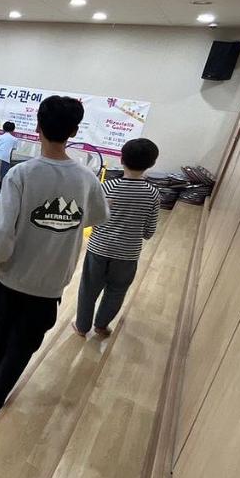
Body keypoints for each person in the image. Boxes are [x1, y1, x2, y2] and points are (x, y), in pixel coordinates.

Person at [0, 95, 109, 426]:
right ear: (74, 132)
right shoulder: (86, 179)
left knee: (0, 329)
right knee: (24, 345)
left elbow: (4, 231)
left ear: (37, 126)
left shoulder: (21, 174)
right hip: (50, 285)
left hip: (11, 277)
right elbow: (99, 216)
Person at [73, 138, 160, 337]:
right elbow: (148, 232)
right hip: (128, 254)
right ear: (152, 163)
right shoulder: (153, 194)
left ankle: (82, 327)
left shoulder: (106, 187)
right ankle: (101, 326)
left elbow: (90, 218)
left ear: (121, 159)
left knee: (88, 289)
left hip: (98, 249)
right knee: (117, 291)